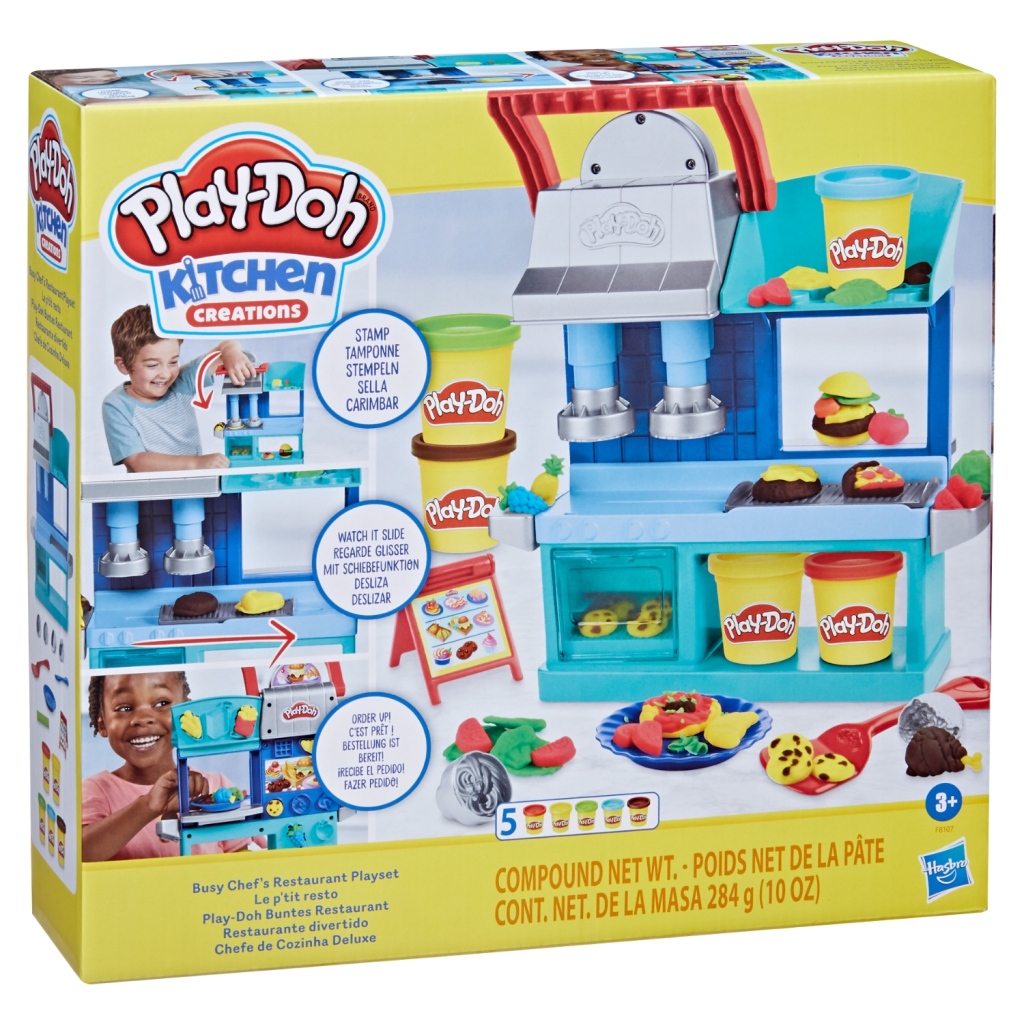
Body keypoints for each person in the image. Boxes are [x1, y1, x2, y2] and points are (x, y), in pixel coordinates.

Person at [82, 672, 262, 860]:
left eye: (162, 703)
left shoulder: (217, 788)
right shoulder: (95, 791)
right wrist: (148, 806)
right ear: (102, 722)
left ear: (186, 712)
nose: (143, 719)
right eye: (124, 708)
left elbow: (244, 861)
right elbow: (79, 853)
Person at [101, 304, 255, 471]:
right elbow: (137, 461)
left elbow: (223, 350)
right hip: (151, 486)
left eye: (173, 362)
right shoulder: (116, 405)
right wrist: (197, 463)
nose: (166, 374)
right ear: (123, 365)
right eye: (152, 365)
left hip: (193, 481)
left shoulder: (182, 381)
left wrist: (231, 351)